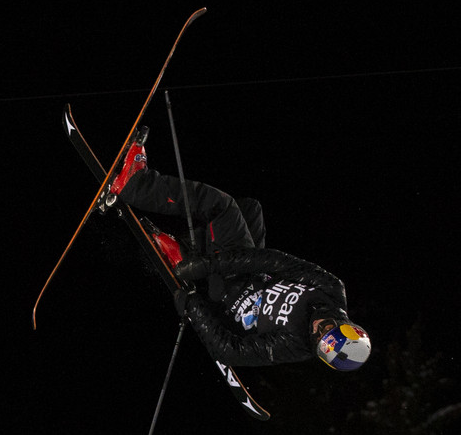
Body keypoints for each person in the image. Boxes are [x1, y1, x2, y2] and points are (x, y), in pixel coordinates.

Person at [101, 137, 369, 373]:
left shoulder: (296, 345)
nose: (317, 328)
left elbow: (230, 352)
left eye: (318, 338)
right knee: (249, 209)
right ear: (345, 322)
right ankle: (182, 252)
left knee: (223, 208)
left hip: (228, 294)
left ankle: (135, 184)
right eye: (327, 327)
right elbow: (274, 261)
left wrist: (194, 307)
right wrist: (206, 265)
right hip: (249, 271)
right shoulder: (330, 288)